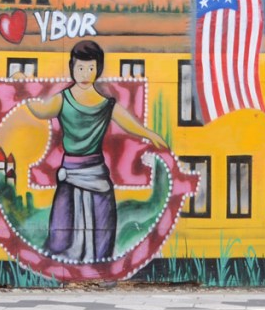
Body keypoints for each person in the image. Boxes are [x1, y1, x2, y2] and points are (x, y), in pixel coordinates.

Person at [25, 40, 168, 262]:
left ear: (98, 70)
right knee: (60, 232)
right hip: (69, 173)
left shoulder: (105, 104)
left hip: (96, 173)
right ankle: (65, 265)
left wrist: (149, 134)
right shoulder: (62, 99)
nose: (84, 73)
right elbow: (41, 110)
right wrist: (22, 88)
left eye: (90, 68)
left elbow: (129, 123)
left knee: (103, 227)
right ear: (72, 67)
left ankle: (101, 268)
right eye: (80, 67)